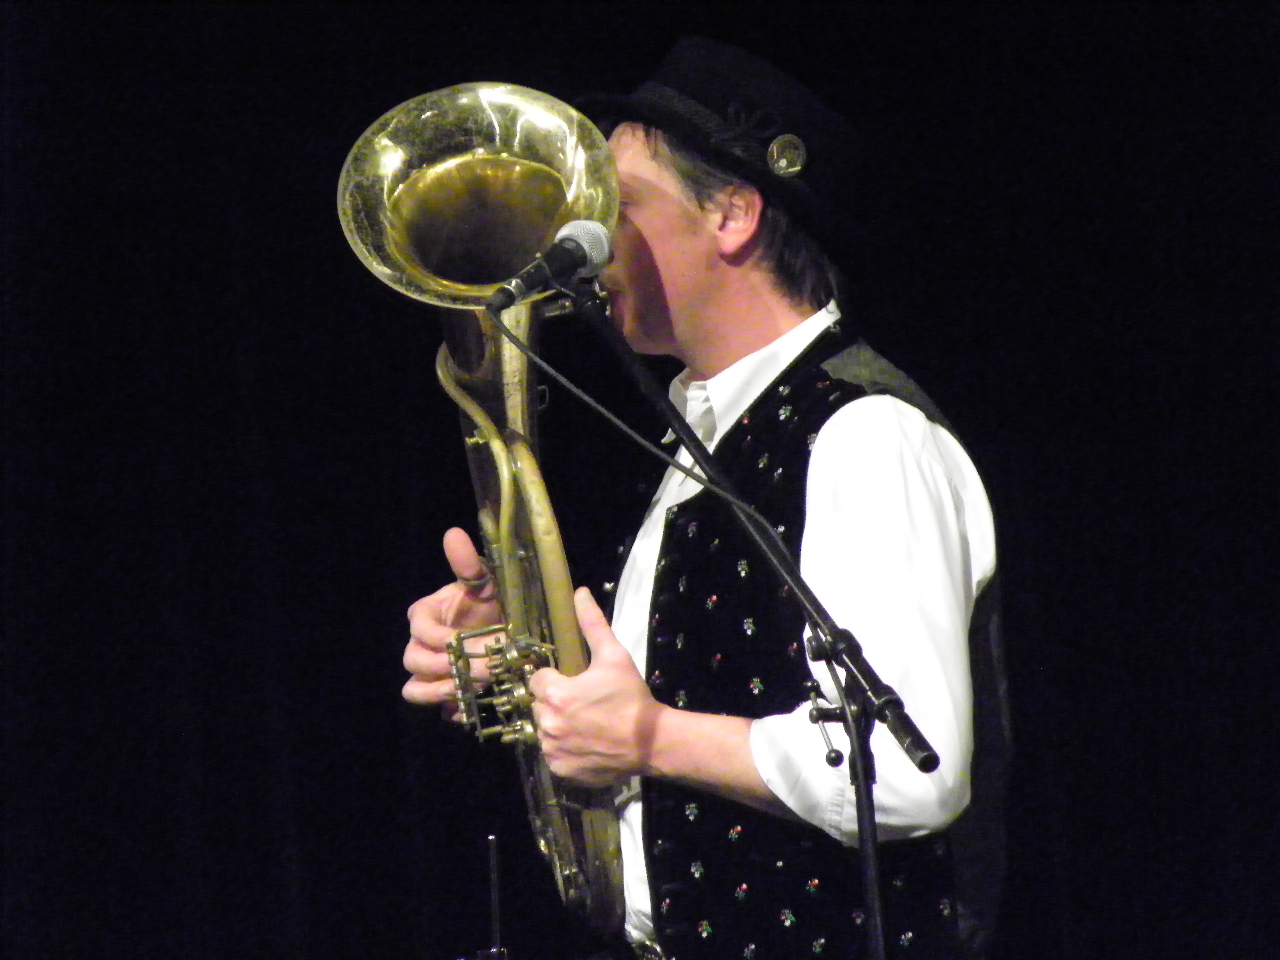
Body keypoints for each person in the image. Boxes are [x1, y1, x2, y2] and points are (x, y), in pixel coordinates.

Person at [404, 37, 1007, 960]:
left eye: (615, 207)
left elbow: (904, 766)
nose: (586, 243)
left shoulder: (861, 433)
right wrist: (517, 649)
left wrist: (648, 736)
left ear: (732, 214)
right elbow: (701, 682)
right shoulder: (702, 440)